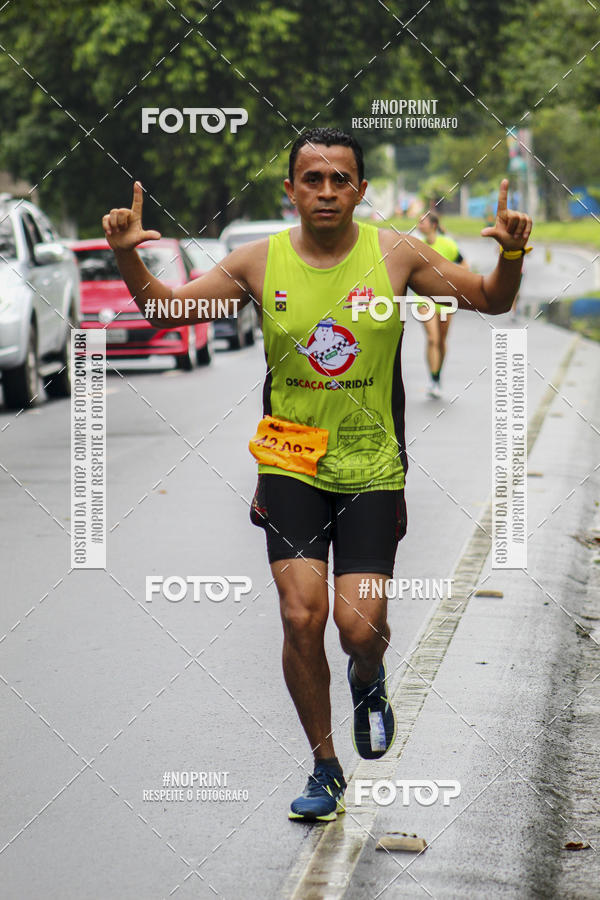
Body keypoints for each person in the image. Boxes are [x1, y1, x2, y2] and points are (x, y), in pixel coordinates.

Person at [102, 128, 532, 823]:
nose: (326, 191)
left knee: (359, 627)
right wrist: (128, 258)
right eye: (312, 179)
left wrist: (511, 252)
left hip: (370, 465)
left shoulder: (395, 255)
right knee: (301, 614)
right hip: (290, 462)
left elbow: (490, 298)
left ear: (359, 191)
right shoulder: (258, 263)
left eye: (339, 180)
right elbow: (169, 307)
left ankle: (368, 677)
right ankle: (325, 765)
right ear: (291, 190)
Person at [416, 211, 469, 399]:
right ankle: (432, 379)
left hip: (445, 299)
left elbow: (464, 266)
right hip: (424, 299)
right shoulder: (417, 245)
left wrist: (449, 278)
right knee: (432, 338)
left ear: (433, 225)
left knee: (441, 341)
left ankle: (437, 377)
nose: (419, 224)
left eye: (423, 221)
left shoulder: (448, 244)